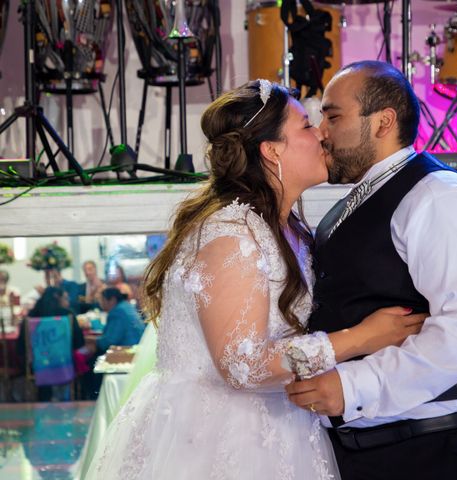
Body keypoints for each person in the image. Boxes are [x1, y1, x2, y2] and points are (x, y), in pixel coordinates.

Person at [85, 80, 424, 479]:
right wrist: (363, 337)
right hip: (217, 440)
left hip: (280, 426)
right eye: (304, 126)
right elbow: (241, 365)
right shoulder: (233, 234)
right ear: (272, 149)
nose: (320, 133)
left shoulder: (284, 227)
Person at [285, 61, 457, 480]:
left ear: (383, 121)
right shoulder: (360, 198)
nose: (322, 132)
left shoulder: (440, 197)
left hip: (426, 454)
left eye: (333, 116)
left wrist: (353, 386)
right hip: (371, 453)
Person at [17, 286, 86, 401]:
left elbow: (20, 348)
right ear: (57, 298)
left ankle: (42, 400)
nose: (68, 302)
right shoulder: (68, 316)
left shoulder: (30, 317)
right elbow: (79, 343)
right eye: (65, 299)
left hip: (36, 367)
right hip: (64, 365)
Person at [92, 288, 145, 356]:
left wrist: (92, 340)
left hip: (128, 352)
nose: (100, 303)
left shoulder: (117, 312)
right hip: (137, 348)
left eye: (102, 300)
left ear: (112, 300)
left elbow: (109, 342)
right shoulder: (126, 306)